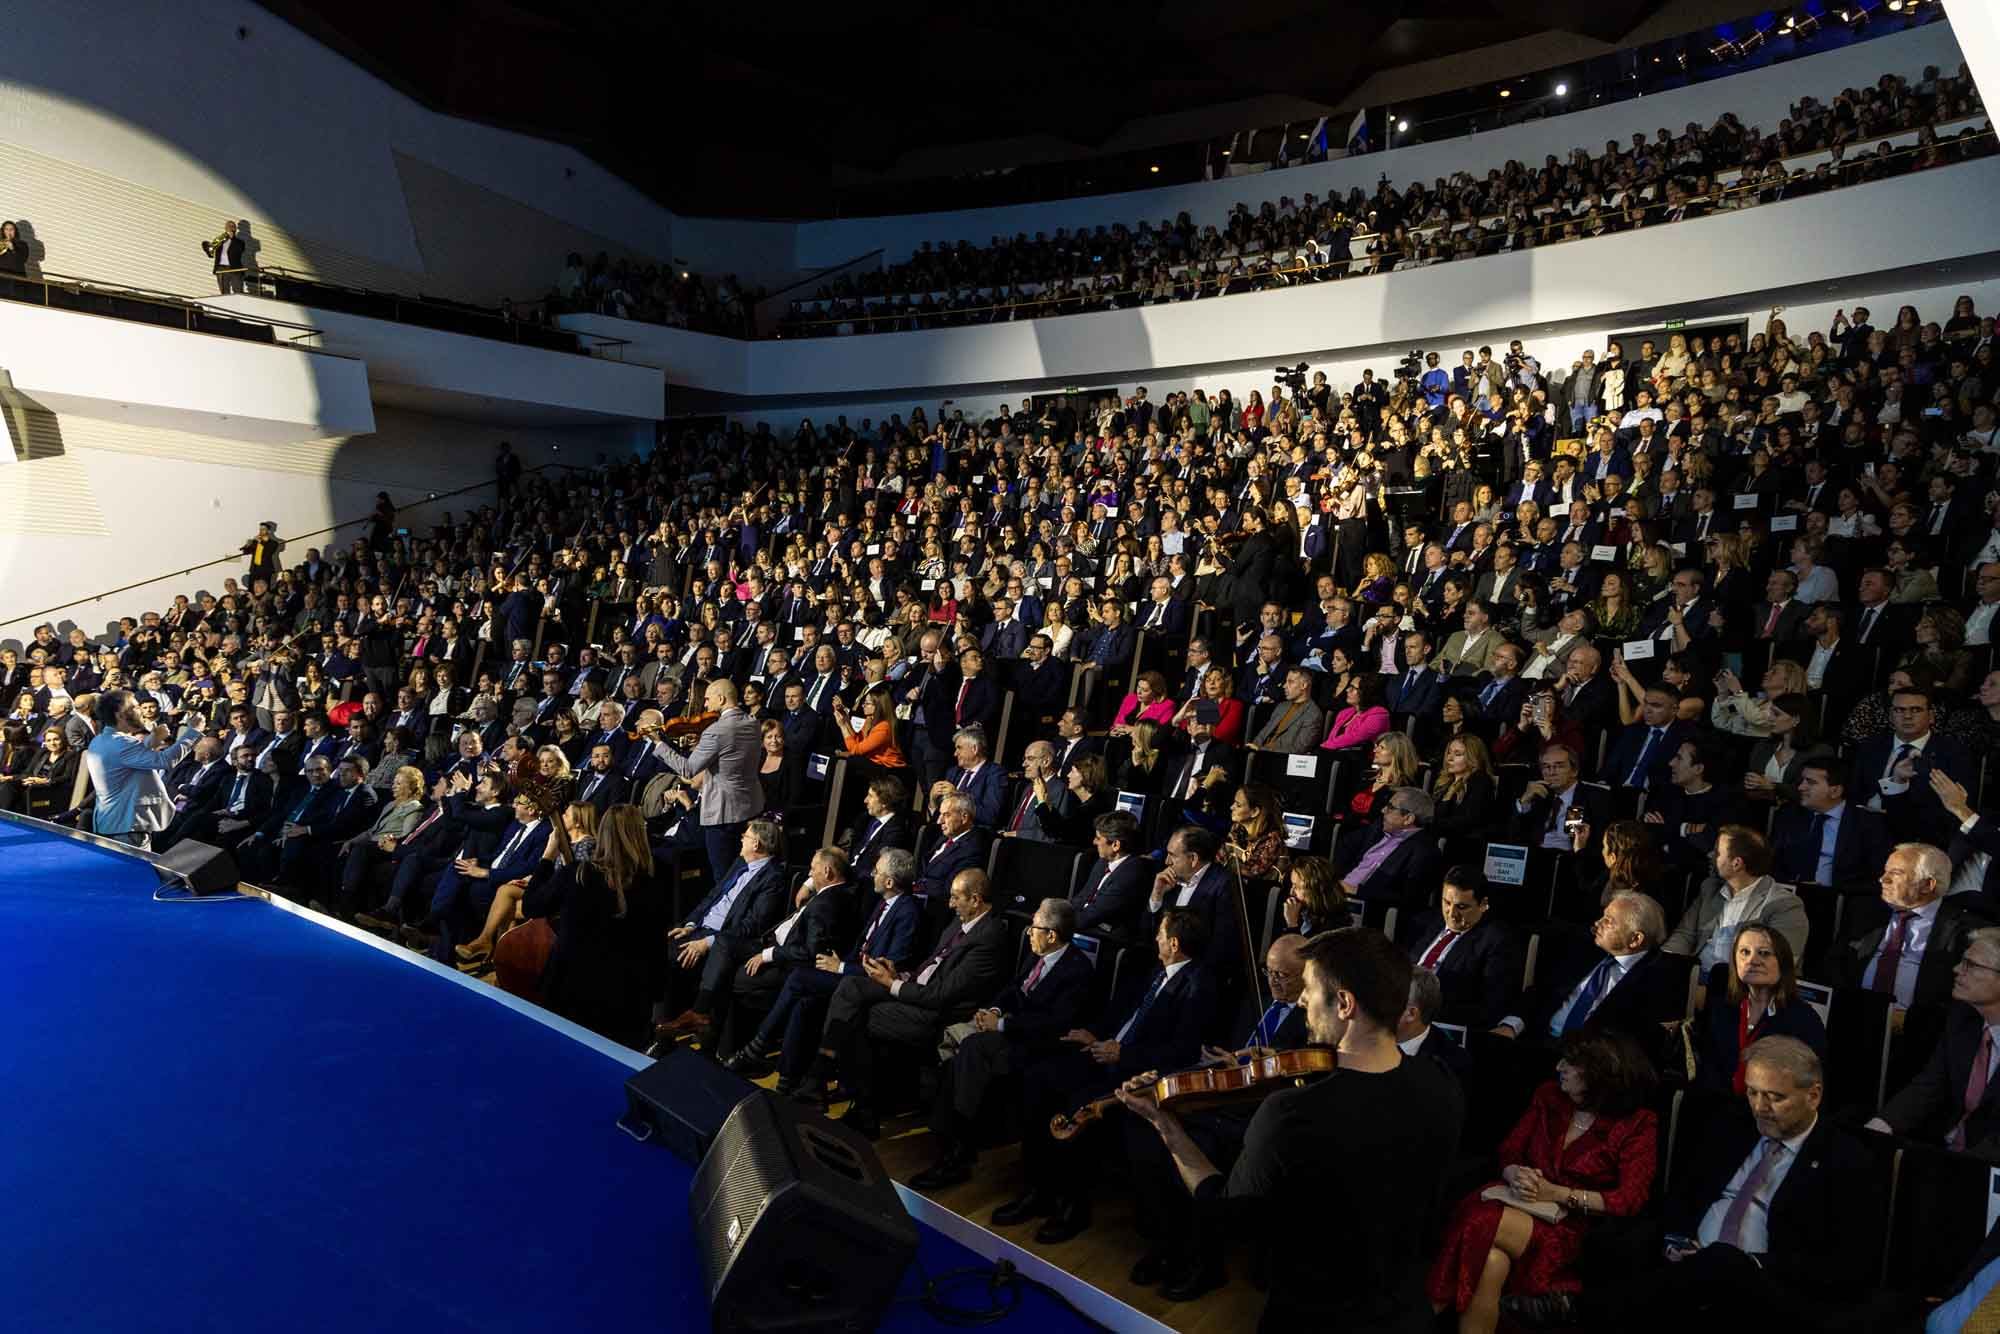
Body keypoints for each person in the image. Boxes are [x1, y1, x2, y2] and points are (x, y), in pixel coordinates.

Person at [1116, 927, 1465, 1324]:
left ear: (1345, 1004)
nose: (1300, 999)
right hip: (1403, 1312)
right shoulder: (1443, 1084)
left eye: (1311, 988)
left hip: (1312, 1316)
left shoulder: (1291, 1114)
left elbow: (1228, 1215)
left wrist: (1165, 1124)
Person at [1505, 1037, 1881, 1331]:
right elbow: (1684, 1198)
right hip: (1689, 1259)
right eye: (1753, 1092)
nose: (1760, 1107)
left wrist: (1752, 1263)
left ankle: (1574, 1308)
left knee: (1722, 1261)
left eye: (1775, 1097)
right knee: (1636, 1249)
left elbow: (1845, 1266)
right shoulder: (1732, 1128)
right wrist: (1676, 1240)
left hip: (1770, 1284)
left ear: (1813, 1095)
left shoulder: (1846, 1160)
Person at [994, 908, 1214, 1244]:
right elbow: (1118, 1016)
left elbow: (1181, 1053)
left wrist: (1122, 1053)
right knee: (1037, 1080)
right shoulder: (1155, 972)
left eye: (1160, 933)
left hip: (1135, 1074)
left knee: (1077, 1106)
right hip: (1104, 1054)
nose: (1154, 938)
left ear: (1174, 943)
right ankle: (1038, 1190)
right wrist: (1094, 1035)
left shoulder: (1198, 985)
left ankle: (1072, 1209)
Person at [1430, 1031, 1659, 1334]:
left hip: (1572, 1226)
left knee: (1480, 1219)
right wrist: (1516, 1173)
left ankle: (1432, 1304)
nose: (1558, 1067)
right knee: (1492, 1261)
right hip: (1517, 1201)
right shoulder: (1549, 1096)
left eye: (1570, 1063)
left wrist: (1559, 1194)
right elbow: (1510, 1149)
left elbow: (1629, 1199)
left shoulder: (1638, 1124)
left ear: (1599, 1073)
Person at [909, 896, 1096, 1189]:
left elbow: (1054, 1024)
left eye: (1034, 926)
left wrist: (1003, 1025)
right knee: (959, 1059)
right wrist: (995, 1011)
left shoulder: (1078, 971)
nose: (1028, 931)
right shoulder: (1037, 954)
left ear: (1051, 935)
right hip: (1009, 1033)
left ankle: (959, 1152)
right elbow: (1012, 988)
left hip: (1038, 1046)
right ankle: (954, 1147)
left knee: (972, 1048)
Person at [1692, 923, 1827, 1095]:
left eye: (1763, 953)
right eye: (1744, 952)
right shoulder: (1722, 1008)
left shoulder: (1804, 1019)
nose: (1752, 960)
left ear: (1783, 962)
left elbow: (1810, 1085)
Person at [1663, 825, 1809, 969]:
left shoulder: (1785, 906)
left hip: (1740, 986)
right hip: (1695, 978)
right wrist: (1665, 964)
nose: (1710, 856)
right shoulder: (1710, 888)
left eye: (1717, 853)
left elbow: (1776, 965)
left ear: (1736, 863)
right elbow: (1684, 935)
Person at [1405, 870, 1527, 1030]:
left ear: (1483, 904)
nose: (1451, 913)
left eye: (1462, 907)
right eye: (1446, 902)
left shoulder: (1497, 941)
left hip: (1436, 1023)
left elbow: (1490, 1006)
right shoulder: (1424, 922)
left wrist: (1422, 1012)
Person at [83, 690, 206, 848]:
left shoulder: (100, 740)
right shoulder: (122, 744)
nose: (141, 710)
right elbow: (165, 760)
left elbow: (126, 759)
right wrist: (194, 731)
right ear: (120, 714)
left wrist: (151, 740)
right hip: (128, 828)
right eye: (135, 707)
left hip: (116, 825)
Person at [202, 219, 246, 294]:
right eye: (228, 226)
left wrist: (232, 238)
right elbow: (211, 251)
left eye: (232, 226)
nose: (230, 228)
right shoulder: (219, 240)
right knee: (224, 293)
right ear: (225, 228)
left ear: (235, 229)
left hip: (234, 269)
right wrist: (208, 250)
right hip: (221, 268)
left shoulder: (240, 242)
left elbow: (240, 250)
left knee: (238, 292)